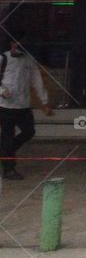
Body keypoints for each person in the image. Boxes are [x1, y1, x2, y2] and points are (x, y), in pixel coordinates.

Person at [0, 31, 51, 180]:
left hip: (23, 105)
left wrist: (44, 101)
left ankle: (5, 151)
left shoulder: (29, 60)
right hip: (5, 107)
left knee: (29, 131)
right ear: (11, 45)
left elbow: (37, 80)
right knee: (7, 137)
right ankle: (8, 169)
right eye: (16, 44)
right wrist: (2, 91)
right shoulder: (3, 59)